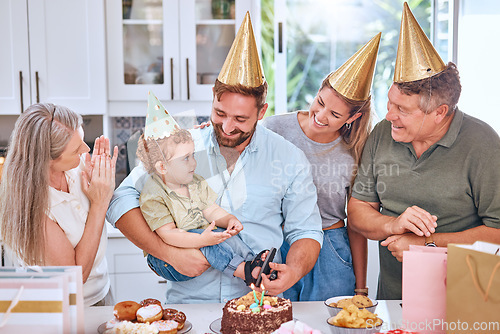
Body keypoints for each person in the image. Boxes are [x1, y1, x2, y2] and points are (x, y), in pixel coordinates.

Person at [106, 12, 323, 304]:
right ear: (212, 97)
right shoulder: (180, 147)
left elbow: (306, 230)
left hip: (258, 304)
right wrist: (168, 253)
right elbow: (121, 200)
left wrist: (294, 270)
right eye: (220, 114)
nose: (228, 127)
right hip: (190, 303)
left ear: (262, 112)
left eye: (240, 119)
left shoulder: (289, 158)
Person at [347, 2, 500, 300]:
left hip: (465, 301)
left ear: (439, 112)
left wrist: (427, 244)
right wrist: (393, 224)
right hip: (392, 301)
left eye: (401, 109)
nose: (389, 115)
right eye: (389, 103)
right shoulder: (382, 134)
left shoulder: (483, 145)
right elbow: (357, 212)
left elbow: (497, 231)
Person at [262, 33, 381, 301]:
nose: (321, 115)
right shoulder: (273, 129)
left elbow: (356, 224)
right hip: (278, 247)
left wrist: (361, 289)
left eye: (335, 114)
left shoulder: (356, 151)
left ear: (354, 117)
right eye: (320, 102)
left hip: (331, 251)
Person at [136, 92, 273, 285]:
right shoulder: (153, 195)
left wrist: (229, 220)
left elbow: (210, 209)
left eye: (193, 155)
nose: (193, 162)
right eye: (186, 158)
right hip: (167, 259)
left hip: (194, 240)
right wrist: (203, 241)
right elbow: (168, 234)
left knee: (226, 236)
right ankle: (244, 272)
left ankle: (254, 263)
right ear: (162, 167)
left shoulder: (194, 182)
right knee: (210, 241)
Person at [0, 103, 118, 307]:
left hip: (102, 292)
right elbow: (76, 275)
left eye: (82, 139)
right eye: (76, 149)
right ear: (46, 159)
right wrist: (99, 204)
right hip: (63, 308)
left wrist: (101, 184)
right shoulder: (34, 208)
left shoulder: (77, 165)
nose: (86, 149)